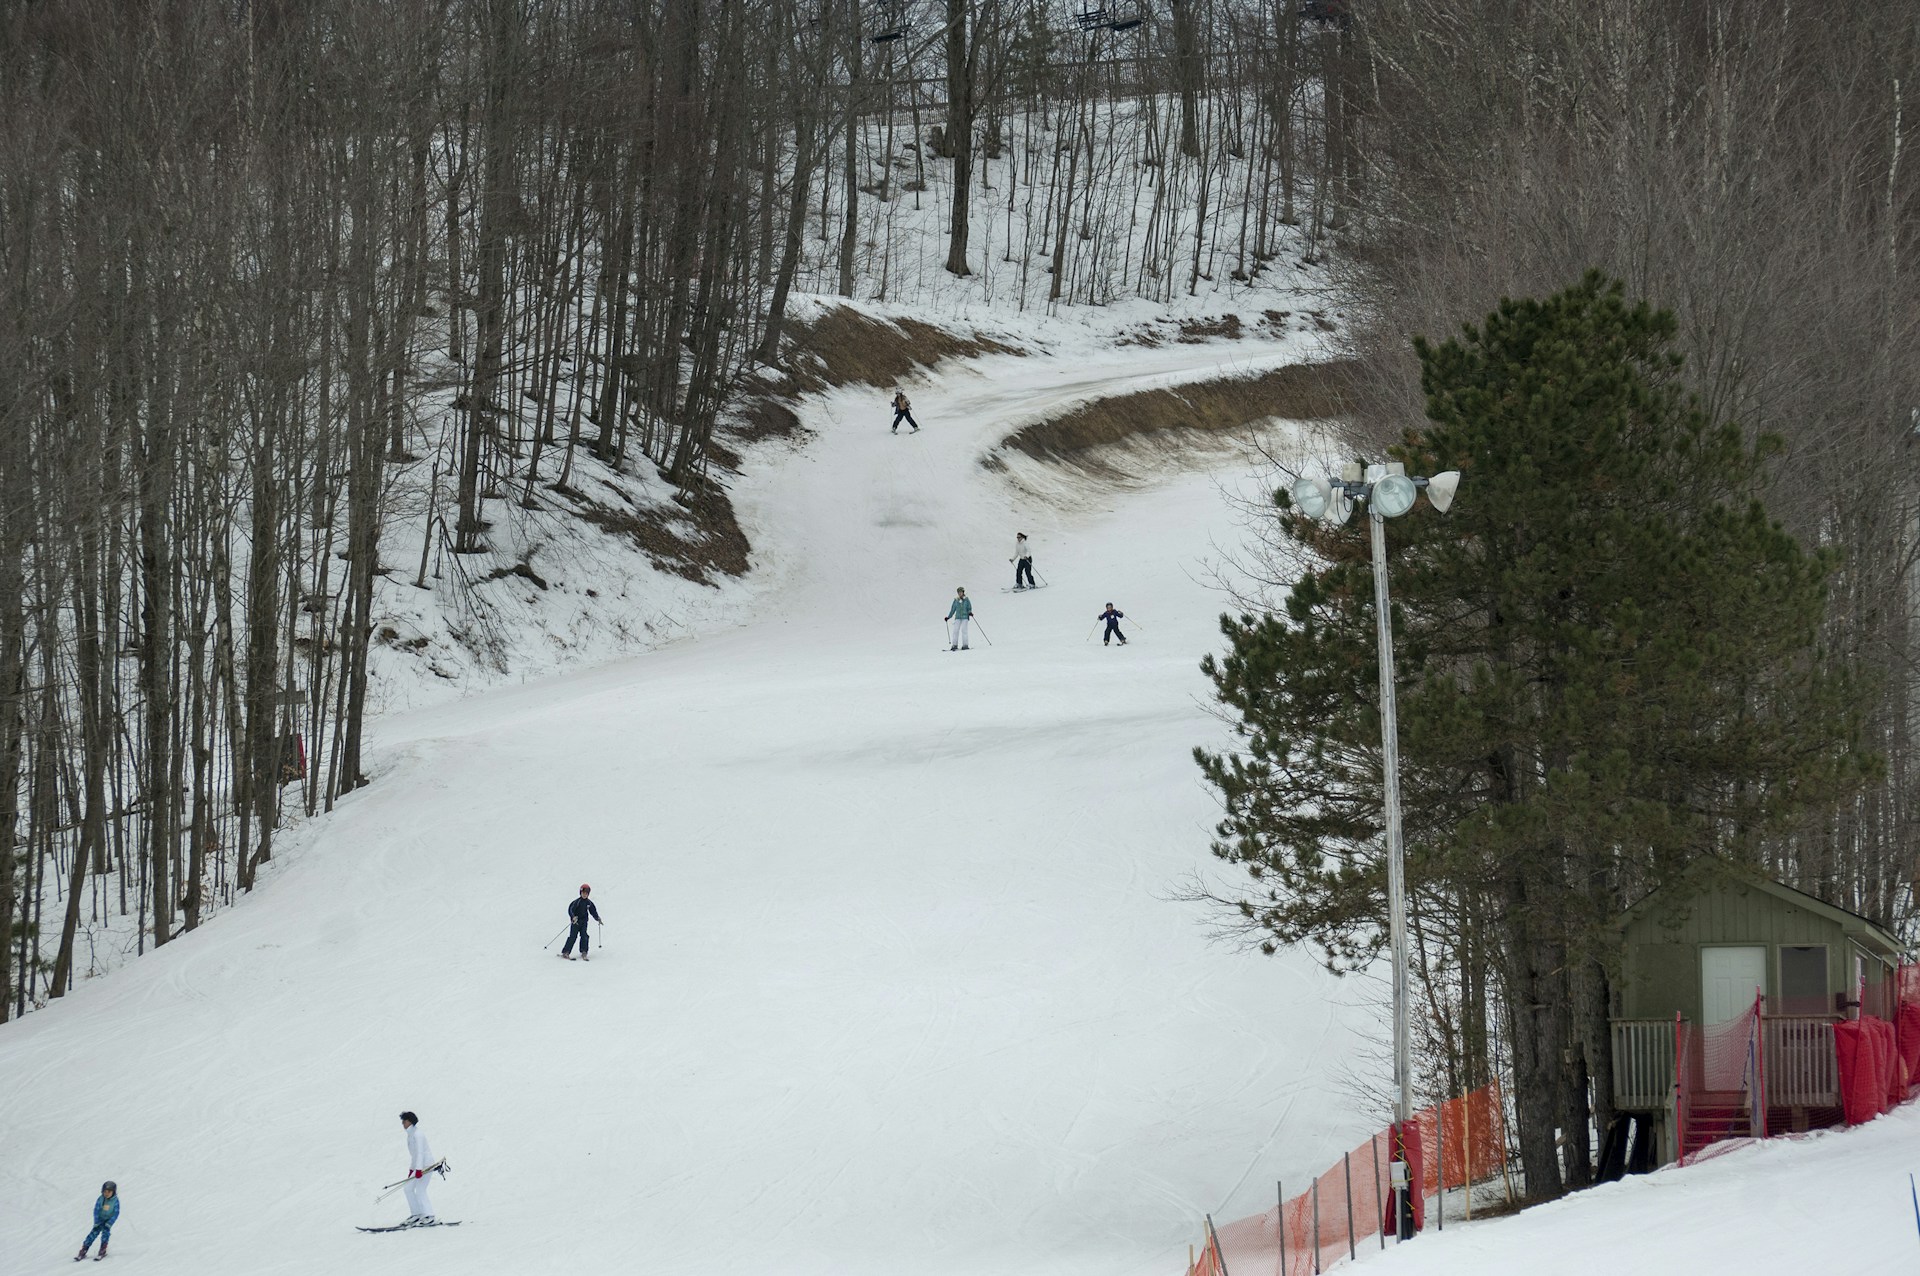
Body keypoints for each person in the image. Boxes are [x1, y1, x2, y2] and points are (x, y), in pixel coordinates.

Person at [400, 1112, 435, 1224]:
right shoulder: (410, 1135)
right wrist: (412, 1169)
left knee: (420, 1190)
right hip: (419, 1166)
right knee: (408, 1188)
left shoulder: (418, 1134)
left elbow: (420, 1153)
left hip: (426, 1165)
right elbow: (414, 1155)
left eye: (404, 1121)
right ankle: (416, 1214)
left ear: (410, 1121)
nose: (402, 1123)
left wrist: (418, 1169)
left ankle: (429, 1215)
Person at [74, 1181, 118, 1261]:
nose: (106, 1193)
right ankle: (84, 1249)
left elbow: (116, 1213)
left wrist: (110, 1223)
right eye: (105, 1191)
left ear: (113, 1192)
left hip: (108, 1221)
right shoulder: (100, 1199)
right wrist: (96, 1221)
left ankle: (102, 1249)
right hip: (100, 1219)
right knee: (93, 1234)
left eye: (109, 1192)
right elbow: (96, 1210)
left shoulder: (115, 1201)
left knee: (105, 1234)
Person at [560, 884, 601, 962]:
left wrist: (597, 918)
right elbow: (571, 910)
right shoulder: (577, 902)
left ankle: (584, 951)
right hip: (576, 922)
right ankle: (566, 952)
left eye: (586, 893)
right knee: (573, 937)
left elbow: (593, 911)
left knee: (584, 936)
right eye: (583, 893)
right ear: (580, 893)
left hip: (584, 922)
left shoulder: (589, 903)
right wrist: (573, 917)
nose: (584, 895)